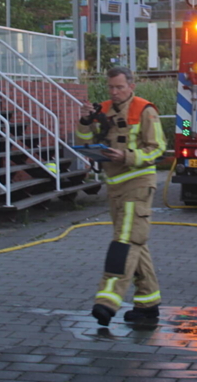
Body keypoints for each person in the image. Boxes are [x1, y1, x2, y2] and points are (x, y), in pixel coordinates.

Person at [77, 67, 166, 326]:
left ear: (132, 86)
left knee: (124, 243)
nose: (114, 92)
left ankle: (107, 301)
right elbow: (82, 140)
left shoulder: (145, 110)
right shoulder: (102, 109)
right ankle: (148, 305)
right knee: (136, 243)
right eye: (111, 87)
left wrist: (128, 156)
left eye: (119, 87)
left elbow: (158, 148)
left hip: (137, 185)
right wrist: (84, 122)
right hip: (114, 187)